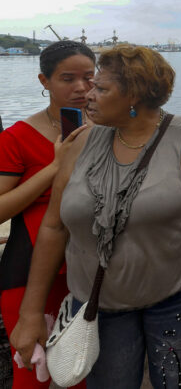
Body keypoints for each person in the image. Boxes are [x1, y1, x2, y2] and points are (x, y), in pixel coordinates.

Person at [10, 44, 181, 388]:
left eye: (100, 88)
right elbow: (54, 228)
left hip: (177, 296)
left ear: (134, 95)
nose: (89, 93)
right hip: (100, 302)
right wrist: (30, 313)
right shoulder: (77, 143)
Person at [0, 41, 94, 389]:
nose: (81, 88)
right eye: (67, 78)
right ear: (45, 81)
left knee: (81, 375)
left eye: (88, 77)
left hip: (86, 272)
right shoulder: (17, 138)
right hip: (28, 273)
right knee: (31, 376)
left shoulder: (109, 131)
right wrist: (56, 166)